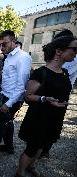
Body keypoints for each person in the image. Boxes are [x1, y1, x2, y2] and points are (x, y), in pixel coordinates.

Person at [14, 36, 76, 177]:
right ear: (59, 51)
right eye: (74, 49)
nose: (76, 53)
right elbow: (28, 96)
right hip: (39, 118)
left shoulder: (65, 73)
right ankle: (20, 174)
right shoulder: (41, 73)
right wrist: (44, 99)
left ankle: (31, 166)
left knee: (43, 146)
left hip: (55, 117)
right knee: (32, 147)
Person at [0, 30, 32, 162]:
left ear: (14, 41)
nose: (2, 47)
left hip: (12, 99)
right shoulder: (8, 56)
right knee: (7, 123)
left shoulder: (23, 57)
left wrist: (8, 104)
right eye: (0, 45)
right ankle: (9, 147)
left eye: (5, 44)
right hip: (4, 94)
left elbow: (22, 84)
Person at [39, 29, 77, 159]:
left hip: (60, 92)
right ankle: (39, 146)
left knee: (53, 121)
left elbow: (58, 70)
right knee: (47, 120)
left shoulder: (71, 57)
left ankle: (44, 148)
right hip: (54, 90)